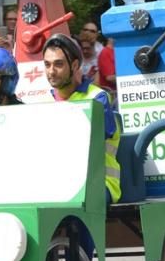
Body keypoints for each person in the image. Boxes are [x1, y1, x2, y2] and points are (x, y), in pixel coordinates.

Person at [43, 33, 120, 204]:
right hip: (57, 185)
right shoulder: (43, 103)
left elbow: (86, 144)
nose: (51, 71)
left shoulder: (97, 98)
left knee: (78, 204)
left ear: (75, 65)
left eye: (58, 64)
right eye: (47, 65)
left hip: (100, 183)